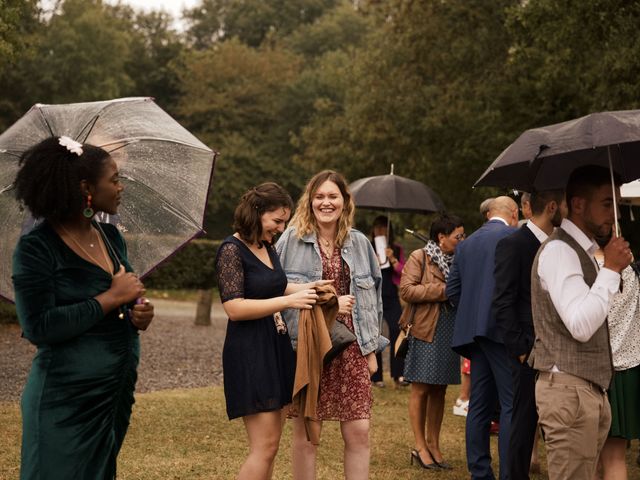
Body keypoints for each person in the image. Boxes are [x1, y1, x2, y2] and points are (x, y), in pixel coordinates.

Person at [12, 136, 154, 480]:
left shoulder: (110, 236)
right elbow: (39, 327)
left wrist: (138, 313)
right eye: (115, 179)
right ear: (86, 187)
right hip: (65, 397)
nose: (121, 187)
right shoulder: (37, 248)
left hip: (113, 391)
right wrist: (110, 298)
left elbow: (125, 299)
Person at [276, 170, 384, 480]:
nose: (326, 202)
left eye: (332, 196)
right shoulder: (292, 239)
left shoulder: (361, 243)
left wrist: (371, 349)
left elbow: (374, 299)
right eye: (319, 196)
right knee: (308, 433)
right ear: (309, 202)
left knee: (359, 431)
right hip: (308, 346)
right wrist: (327, 301)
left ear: (345, 201)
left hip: (350, 347)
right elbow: (273, 285)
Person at [215, 182, 326, 480]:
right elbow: (234, 307)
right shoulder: (231, 250)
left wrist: (312, 289)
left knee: (272, 446)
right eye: (276, 221)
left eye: (283, 222)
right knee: (263, 447)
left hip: (275, 347)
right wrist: (290, 301)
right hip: (250, 350)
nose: (280, 228)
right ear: (256, 212)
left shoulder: (267, 247)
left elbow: (275, 285)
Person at [529, 165, 632, 479]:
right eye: (606, 204)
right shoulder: (560, 251)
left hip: (585, 390)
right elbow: (580, 325)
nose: (613, 214)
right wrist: (611, 271)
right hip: (569, 392)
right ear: (577, 205)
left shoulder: (584, 251)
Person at [492, 189, 565, 480]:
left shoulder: (561, 245)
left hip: (560, 346)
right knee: (523, 422)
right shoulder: (513, 243)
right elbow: (503, 300)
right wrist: (520, 348)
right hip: (527, 349)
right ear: (551, 206)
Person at [446, 195, 519, 480]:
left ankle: (480, 472)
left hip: (474, 334)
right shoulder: (515, 237)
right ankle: (510, 473)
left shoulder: (467, 244)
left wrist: (473, 312)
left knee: (479, 404)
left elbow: (452, 290)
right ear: (513, 213)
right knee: (511, 403)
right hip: (503, 331)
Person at [400, 213, 465, 470]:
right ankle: (419, 446)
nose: (463, 239)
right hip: (426, 329)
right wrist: (444, 290)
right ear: (441, 238)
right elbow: (407, 290)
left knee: (440, 389)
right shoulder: (420, 257)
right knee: (422, 389)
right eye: (458, 236)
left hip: (450, 329)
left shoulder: (460, 260)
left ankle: (434, 444)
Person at [596, 257, 640, 480]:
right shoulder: (632, 269)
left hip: (595, 373)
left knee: (589, 460)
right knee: (615, 458)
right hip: (626, 369)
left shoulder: (587, 267)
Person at [369, 215, 406, 388]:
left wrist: (392, 259)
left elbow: (404, 273)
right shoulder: (368, 247)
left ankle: (398, 374)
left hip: (391, 296)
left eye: (384, 228)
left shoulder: (396, 249)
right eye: (377, 228)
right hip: (373, 295)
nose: (380, 231)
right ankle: (376, 377)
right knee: (374, 333)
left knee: (398, 330)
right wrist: (373, 263)